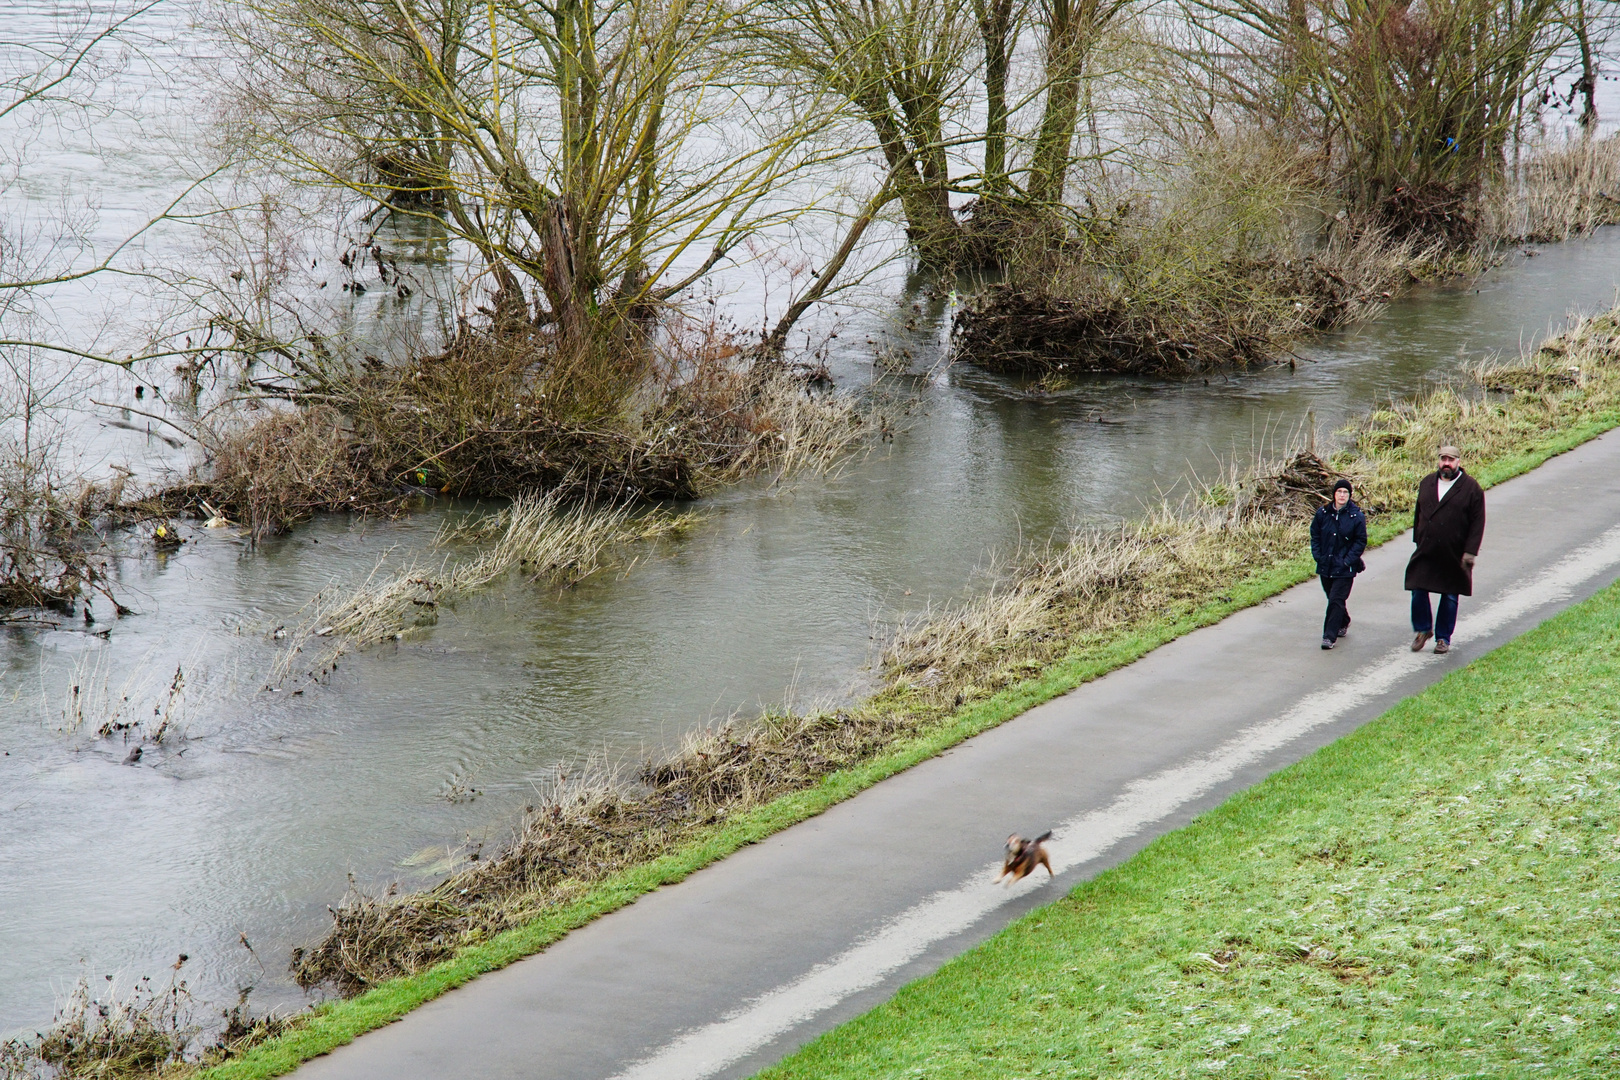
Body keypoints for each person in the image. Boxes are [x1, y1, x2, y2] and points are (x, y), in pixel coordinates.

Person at [1405, 445, 1485, 654]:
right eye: (1443, 459)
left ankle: (1443, 638)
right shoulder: (1427, 483)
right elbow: (1418, 513)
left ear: (1459, 461)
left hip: (1455, 552)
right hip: (1427, 548)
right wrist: (1418, 538)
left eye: (1451, 459)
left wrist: (1470, 551)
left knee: (1450, 596)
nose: (1446, 463)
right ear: (1438, 461)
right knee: (1417, 587)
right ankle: (1423, 630)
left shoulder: (1471, 488)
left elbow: (1478, 522)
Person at [1310, 478, 1367, 650]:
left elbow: (1360, 541)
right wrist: (1318, 556)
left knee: (1336, 600)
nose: (1342, 495)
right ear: (1334, 494)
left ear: (1350, 495)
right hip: (1326, 565)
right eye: (1339, 492)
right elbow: (1315, 536)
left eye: (1345, 492)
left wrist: (1348, 561)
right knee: (1333, 598)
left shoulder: (1356, 516)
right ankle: (1344, 620)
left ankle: (1329, 636)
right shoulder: (1322, 514)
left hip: (1345, 568)